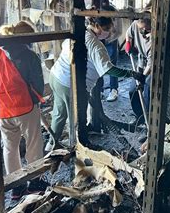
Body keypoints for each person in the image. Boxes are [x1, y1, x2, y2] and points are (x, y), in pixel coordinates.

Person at [49, 16, 145, 147]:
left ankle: (50, 145)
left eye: (110, 29)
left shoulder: (79, 33)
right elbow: (108, 69)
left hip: (56, 76)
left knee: (59, 114)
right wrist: (131, 73)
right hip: (71, 85)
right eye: (106, 29)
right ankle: (80, 146)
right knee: (78, 118)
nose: (109, 33)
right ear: (96, 26)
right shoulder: (95, 45)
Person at [0, 21, 48, 199]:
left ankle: (16, 186)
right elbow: (38, 85)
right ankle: (35, 182)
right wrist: (37, 100)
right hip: (25, 106)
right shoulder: (29, 56)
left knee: (9, 147)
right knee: (34, 143)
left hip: (3, 109)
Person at [125, 17, 152, 117]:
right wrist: (128, 43)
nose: (143, 32)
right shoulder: (135, 24)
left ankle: (148, 119)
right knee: (133, 91)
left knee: (147, 94)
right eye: (141, 29)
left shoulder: (154, 39)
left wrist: (142, 78)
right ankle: (139, 116)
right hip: (140, 64)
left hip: (152, 68)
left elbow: (150, 64)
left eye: (146, 29)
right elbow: (128, 34)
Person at [100, 0, 122, 102]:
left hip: (111, 41)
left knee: (112, 66)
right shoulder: (97, 11)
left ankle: (114, 89)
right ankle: (99, 90)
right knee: (98, 65)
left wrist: (109, 39)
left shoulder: (115, 13)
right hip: (100, 40)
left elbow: (119, 31)